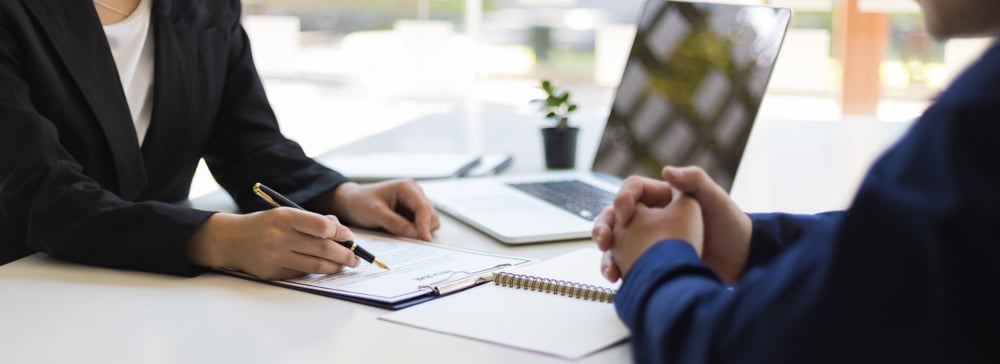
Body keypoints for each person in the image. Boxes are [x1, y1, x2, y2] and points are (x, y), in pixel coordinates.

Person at [592, 0, 1000, 362]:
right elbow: (915, 243)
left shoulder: (980, 117)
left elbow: (736, 348)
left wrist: (655, 262)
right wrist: (752, 241)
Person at [0, 0, 440, 280]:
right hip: (27, 289)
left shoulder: (207, 7)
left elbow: (247, 143)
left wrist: (344, 195)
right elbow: (39, 194)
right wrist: (218, 239)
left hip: (145, 298)